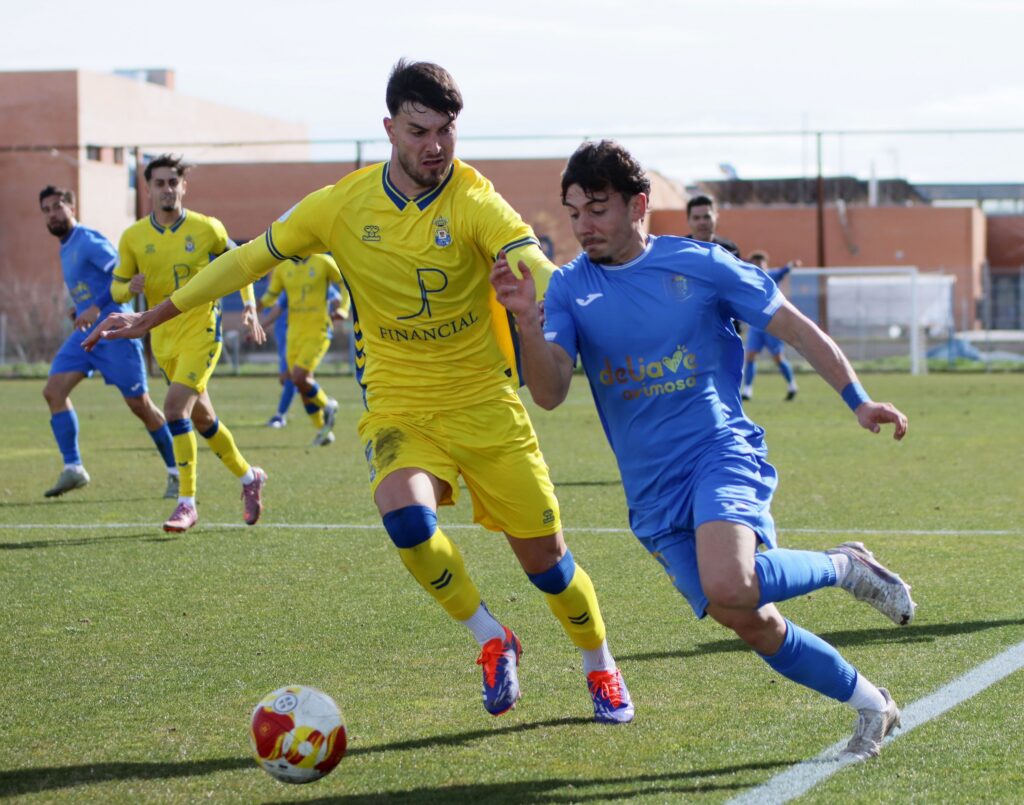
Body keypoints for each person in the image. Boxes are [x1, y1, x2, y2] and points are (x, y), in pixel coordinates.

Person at [85, 61, 633, 723]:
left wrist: (587, 297)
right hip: (400, 407)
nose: (435, 145)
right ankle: (492, 636)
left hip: (486, 406)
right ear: (389, 129)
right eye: (419, 129)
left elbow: (533, 262)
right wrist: (152, 315)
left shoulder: (474, 200)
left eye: (446, 130)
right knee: (406, 518)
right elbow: (247, 258)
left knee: (547, 564)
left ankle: (598, 662)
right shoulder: (341, 205)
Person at [491, 139, 916, 760]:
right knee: (747, 616)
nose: (584, 225)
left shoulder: (702, 265)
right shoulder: (567, 289)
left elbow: (795, 327)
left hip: (720, 453)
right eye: (574, 211)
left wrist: (858, 399)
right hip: (651, 491)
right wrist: (526, 324)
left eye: (598, 209)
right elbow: (550, 393)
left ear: (640, 205)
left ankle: (844, 567)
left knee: (732, 580)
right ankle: (873, 705)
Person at [109, 154, 268, 534]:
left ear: (184, 186)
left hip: (202, 331)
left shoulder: (207, 228)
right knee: (203, 419)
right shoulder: (133, 237)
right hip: (163, 338)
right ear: (148, 188)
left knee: (175, 409)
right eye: (159, 183)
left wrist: (249, 305)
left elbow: (242, 262)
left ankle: (187, 502)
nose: (167, 189)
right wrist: (127, 288)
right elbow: (115, 287)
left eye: (172, 182)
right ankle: (249, 478)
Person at [38, 185, 178, 499]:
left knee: (140, 406)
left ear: (72, 207)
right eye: (46, 210)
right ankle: (74, 468)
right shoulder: (66, 246)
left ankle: (177, 471)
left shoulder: (87, 240)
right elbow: (93, 286)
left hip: (115, 331)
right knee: (53, 391)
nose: (52, 214)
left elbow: (125, 278)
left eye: (58, 206)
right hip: (87, 334)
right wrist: (81, 308)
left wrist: (96, 307)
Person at [258, 256, 350, 445]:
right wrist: (253, 309)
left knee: (300, 377)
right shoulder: (283, 268)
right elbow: (271, 296)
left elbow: (344, 284)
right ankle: (322, 430)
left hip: (318, 331)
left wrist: (343, 310)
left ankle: (328, 405)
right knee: (301, 384)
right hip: (293, 334)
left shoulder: (323, 262)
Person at [741, 250, 799, 401]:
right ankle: (747, 390)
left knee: (778, 358)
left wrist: (792, 265)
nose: (758, 265)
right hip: (755, 326)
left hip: (772, 325)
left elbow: (784, 270)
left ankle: (792, 385)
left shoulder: (771, 275)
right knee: (750, 356)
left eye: (761, 262)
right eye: (755, 262)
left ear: (765, 264)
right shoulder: (749, 278)